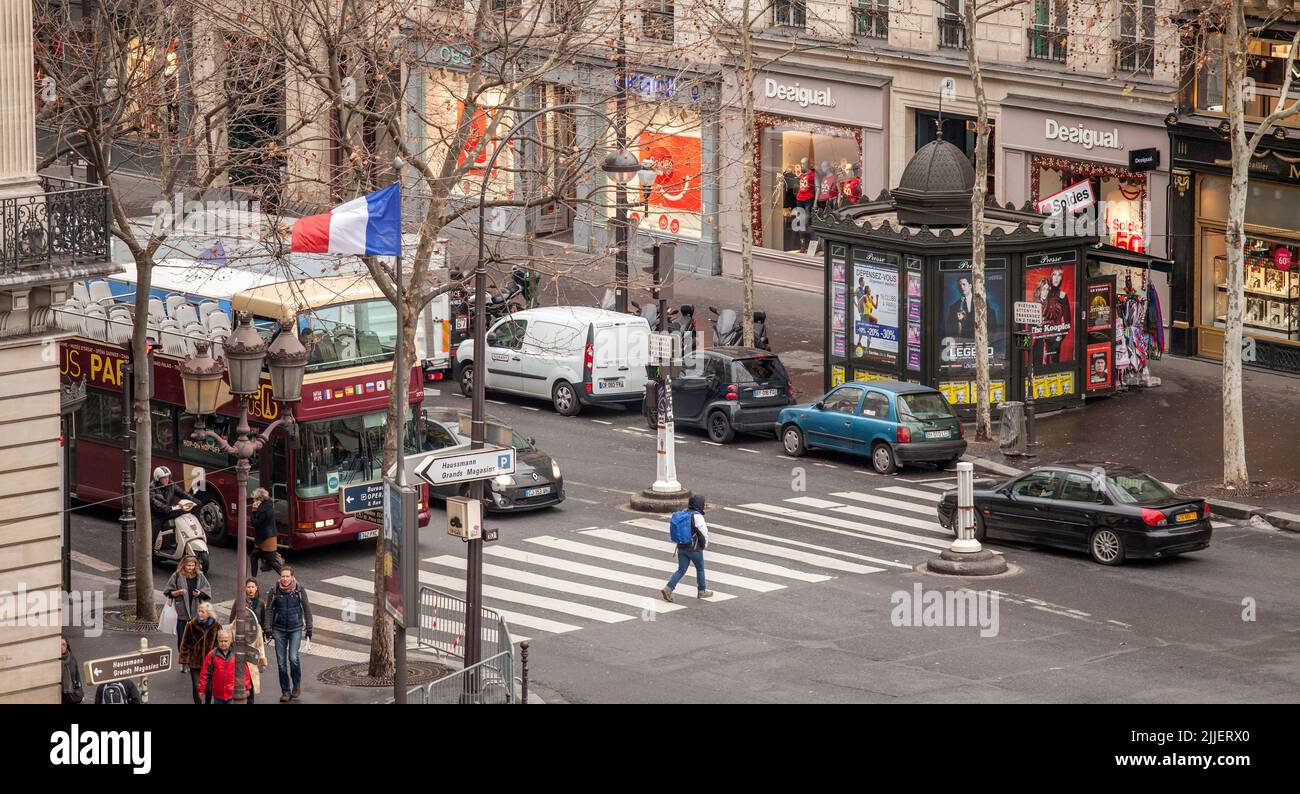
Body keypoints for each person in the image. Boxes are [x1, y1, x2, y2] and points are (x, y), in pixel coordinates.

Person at [265, 566, 313, 702]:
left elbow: (307, 608)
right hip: (279, 629)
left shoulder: (299, 589)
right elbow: (269, 609)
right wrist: (268, 628)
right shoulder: (274, 590)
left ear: (292, 577)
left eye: (287, 576)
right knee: (281, 663)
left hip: (295, 628)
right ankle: (285, 691)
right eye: (283, 576)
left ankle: (296, 684)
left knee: (293, 658)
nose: (285, 579)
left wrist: (309, 628)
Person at [660, 494, 713, 602]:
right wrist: (704, 545)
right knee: (700, 569)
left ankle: (668, 588)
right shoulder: (697, 516)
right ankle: (702, 591)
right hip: (694, 549)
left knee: (681, 570)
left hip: (681, 547)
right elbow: (704, 532)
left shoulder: (682, 513)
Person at [227, 578, 268, 704]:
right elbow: (232, 620)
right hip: (240, 641)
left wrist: (264, 633)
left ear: (257, 588)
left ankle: (250, 700)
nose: (250, 589)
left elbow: (262, 620)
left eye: (252, 587)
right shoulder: (239, 602)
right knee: (240, 672)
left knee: (251, 673)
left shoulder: (260, 603)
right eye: (248, 587)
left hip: (255, 641)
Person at [163, 556, 211, 648]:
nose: (191, 568)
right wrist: (178, 592)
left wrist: (199, 593)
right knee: (182, 637)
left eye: (193, 565)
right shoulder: (177, 575)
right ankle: (183, 656)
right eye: (188, 565)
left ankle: (192, 656)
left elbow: (207, 591)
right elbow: (168, 592)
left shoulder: (199, 576)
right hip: (181, 613)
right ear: (183, 565)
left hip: (196, 612)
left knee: (195, 637)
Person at [179, 601, 222, 704]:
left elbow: (219, 643)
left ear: (209, 613)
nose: (199, 613)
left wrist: (217, 657)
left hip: (210, 663)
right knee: (196, 686)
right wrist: (184, 659)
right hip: (195, 662)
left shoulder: (216, 626)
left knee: (209, 688)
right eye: (199, 611)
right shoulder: (191, 624)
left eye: (202, 612)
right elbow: (185, 643)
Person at [149, 465, 197, 552]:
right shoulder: (152, 487)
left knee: (185, 513)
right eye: (164, 478)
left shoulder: (171, 485)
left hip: (169, 511)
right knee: (152, 535)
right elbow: (154, 501)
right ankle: (150, 553)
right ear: (158, 479)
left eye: (168, 477)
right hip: (157, 514)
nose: (167, 479)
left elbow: (182, 493)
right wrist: (164, 507)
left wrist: (194, 500)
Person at [199, 629, 253, 705]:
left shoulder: (236, 654)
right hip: (218, 693)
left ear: (230, 641)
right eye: (221, 641)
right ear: (218, 641)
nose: (223, 643)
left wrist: (247, 688)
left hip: (232, 693)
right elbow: (204, 673)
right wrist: (201, 689)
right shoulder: (212, 655)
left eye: (225, 641)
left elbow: (244, 672)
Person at [249, 488, 282, 576]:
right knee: (254, 556)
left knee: (271, 561)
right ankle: (253, 580)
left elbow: (254, 523)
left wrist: (254, 511)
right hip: (263, 537)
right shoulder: (267, 506)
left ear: (259, 499)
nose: (253, 501)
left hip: (267, 538)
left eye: (254, 499)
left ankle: (288, 578)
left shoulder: (264, 510)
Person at [60, 638, 83, 704]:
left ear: (67, 646)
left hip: (71, 695)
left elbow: (77, 676)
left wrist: (81, 693)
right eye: (59, 645)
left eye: (63, 644)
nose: (61, 647)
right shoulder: (54, 661)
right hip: (60, 695)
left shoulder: (72, 658)